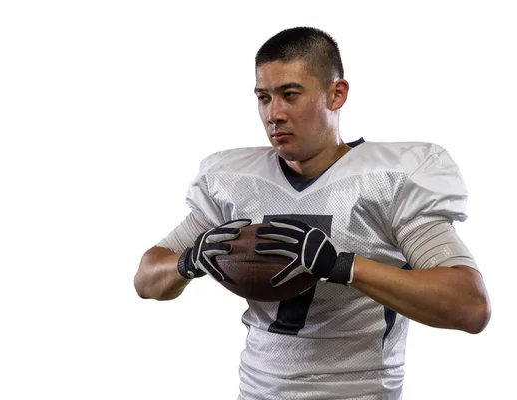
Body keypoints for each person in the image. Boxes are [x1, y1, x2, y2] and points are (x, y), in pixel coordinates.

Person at [134, 26, 491, 400]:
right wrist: (188, 262)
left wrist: (343, 266)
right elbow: (146, 279)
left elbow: (470, 305)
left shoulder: (390, 179)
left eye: (290, 94)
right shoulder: (233, 180)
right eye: (263, 97)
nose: (274, 114)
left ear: (336, 94)